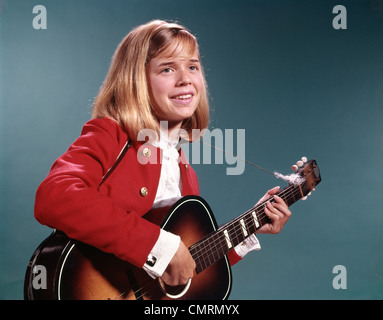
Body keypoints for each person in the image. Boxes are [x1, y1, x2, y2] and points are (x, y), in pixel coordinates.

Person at [34, 20, 292, 289]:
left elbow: (182, 268)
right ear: (136, 80)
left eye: (192, 66)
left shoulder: (185, 170)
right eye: (167, 68)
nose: (186, 80)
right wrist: (156, 245)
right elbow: (54, 196)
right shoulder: (110, 135)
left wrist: (250, 227)